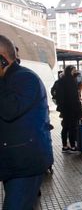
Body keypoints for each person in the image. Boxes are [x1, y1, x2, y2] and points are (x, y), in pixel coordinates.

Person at [0, 34, 54, 209]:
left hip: (25, 165)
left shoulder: (26, 78)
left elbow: (9, 110)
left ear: (2, 59)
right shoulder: (7, 80)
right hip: (12, 163)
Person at [56, 65, 82, 152]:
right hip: (72, 108)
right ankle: (72, 146)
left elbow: (59, 95)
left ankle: (64, 146)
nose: (75, 72)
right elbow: (74, 97)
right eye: (74, 70)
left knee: (65, 127)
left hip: (64, 109)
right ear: (70, 71)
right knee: (72, 127)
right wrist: (80, 111)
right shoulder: (71, 81)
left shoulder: (61, 80)